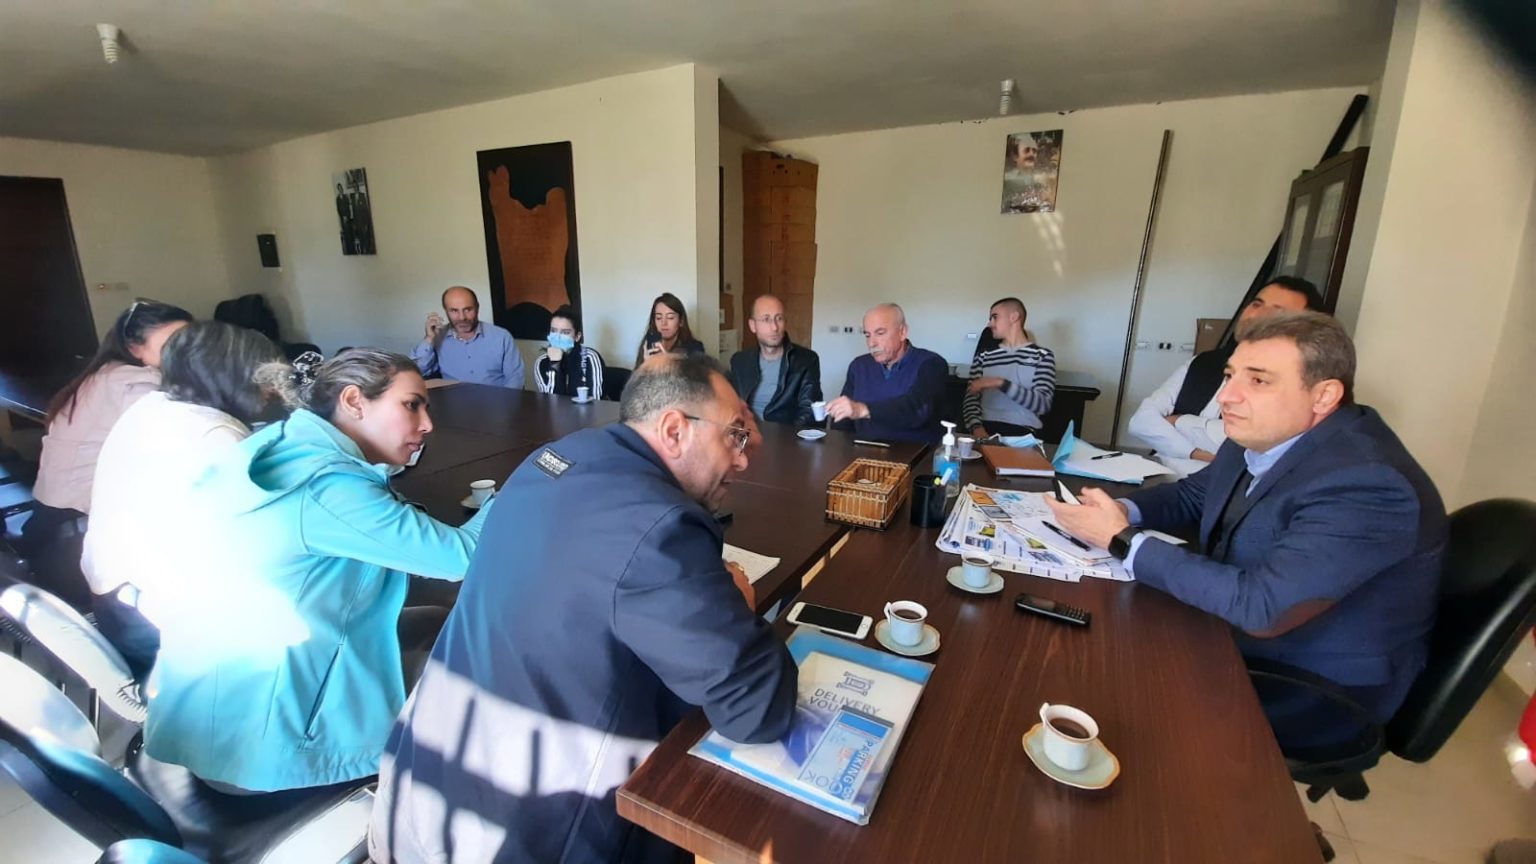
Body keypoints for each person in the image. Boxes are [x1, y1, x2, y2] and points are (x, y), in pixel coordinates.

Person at [371, 354, 797, 864]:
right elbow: (756, 709)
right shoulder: (658, 526)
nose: (742, 459)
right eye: (735, 436)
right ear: (674, 430)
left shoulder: (552, 459)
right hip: (526, 840)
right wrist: (741, 609)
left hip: (415, 799)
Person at [1047, 312, 1446, 749]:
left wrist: (1122, 539)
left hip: (1310, 687)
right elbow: (1192, 496)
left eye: (1258, 380)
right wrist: (1120, 510)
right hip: (1235, 635)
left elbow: (1263, 608)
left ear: (1324, 395)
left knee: (1094, 678)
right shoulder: (1263, 435)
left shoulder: (1366, 481)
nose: (1227, 397)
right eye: (1230, 375)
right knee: (1082, 639)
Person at [143, 349, 494, 794]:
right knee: (483, 665)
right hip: (269, 748)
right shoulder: (328, 488)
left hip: (213, 718)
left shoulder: (279, 444)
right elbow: (461, 557)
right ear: (353, 401)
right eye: (411, 405)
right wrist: (516, 493)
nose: (427, 424)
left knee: (437, 622)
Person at [81, 321, 286, 678]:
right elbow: (261, 537)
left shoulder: (153, 406)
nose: (271, 389)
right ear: (235, 375)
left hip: (115, 601)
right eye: (265, 375)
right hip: (161, 624)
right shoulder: (215, 433)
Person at [23, 300, 192, 608]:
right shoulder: (135, 383)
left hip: (50, 520)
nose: (186, 350)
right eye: (172, 342)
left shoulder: (106, 374)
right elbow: (175, 443)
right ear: (135, 347)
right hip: (75, 539)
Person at [1129, 276, 1324, 477]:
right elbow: (1141, 421)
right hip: (1160, 474)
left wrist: (1179, 421)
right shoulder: (1204, 362)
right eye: (1257, 304)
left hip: (1224, 484)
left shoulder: (1301, 378)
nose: (1258, 314)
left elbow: (1260, 437)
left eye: (1278, 311)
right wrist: (1197, 453)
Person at [825, 303, 948, 444]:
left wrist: (863, 410)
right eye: (867, 335)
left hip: (914, 452)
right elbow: (843, 421)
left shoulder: (931, 364)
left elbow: (917, 410)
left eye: (880, 333)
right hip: (863, 451)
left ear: (902, 332)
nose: (872, 343)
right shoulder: (859, 366)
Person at [963, 297, 1056, 438]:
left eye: (995, 317)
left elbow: (1042, 404)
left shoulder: (1042, 356)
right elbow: (970, 400)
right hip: (985, 430)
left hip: (1023, 434)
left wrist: (1000, 383)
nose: (989, 324)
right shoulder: (983, 356)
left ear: (1014, 317)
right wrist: (977, 428)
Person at [727, 294, 823, 425]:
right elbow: (732, 405)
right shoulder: (739, 361)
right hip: (747, 432)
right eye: (766, 319)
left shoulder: (806, 360)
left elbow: (808, 411)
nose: (774, 327)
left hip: (785, 434)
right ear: (752, 325)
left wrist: (784, 436)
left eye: (779, 318)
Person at [410, 286, 525, 388]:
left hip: (496, 402)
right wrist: (429, 339)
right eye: (454, 311)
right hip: (453, 403)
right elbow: (418, 372)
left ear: (477, 308)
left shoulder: (501, 337)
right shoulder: (437, 337)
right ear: (446, 311)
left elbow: (515, 379)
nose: (462, 317)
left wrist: (506, 403)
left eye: (468, 309)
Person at [533, 304, 605, 398]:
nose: (558, 337)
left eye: (565, 332)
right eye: (553, 331)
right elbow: (550, 401)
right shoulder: (541, 362)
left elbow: (596, 399)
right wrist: (554, 364)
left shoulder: (590, 357)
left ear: (577, 336)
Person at [634, 292, 706, 366]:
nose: (664, 323)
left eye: (670, 317)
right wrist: (646, 366)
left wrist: (667, 361)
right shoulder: (648, 344)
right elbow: (637, 372)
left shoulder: (695, 348)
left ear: (681, 321)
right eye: (659, 318)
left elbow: (697, 373)